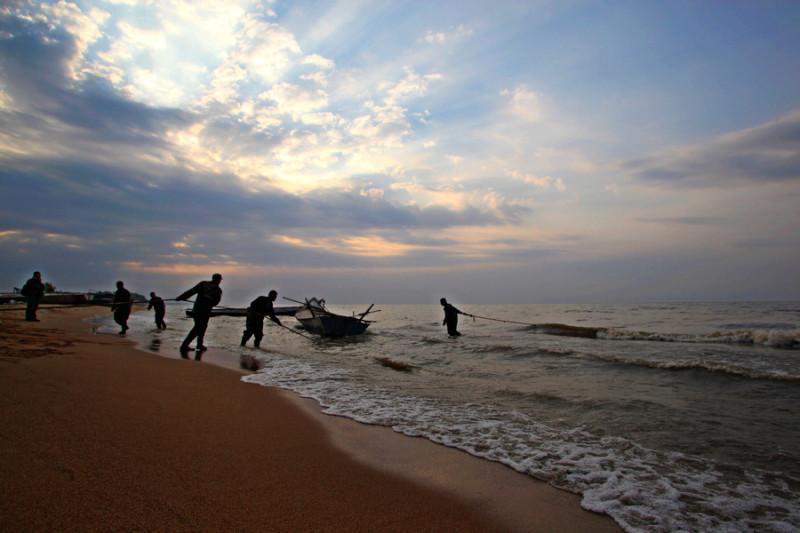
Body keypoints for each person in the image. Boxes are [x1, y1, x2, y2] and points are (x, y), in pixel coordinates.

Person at [176, 273, 222, 353]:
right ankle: (184, 345)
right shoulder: (218, 290)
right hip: (205, 310)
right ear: (219, 280)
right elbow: (215, 303)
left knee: (201, 327)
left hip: (197, 309)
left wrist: (181, 297)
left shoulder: (203, 283)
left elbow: (191, 291)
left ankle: (199, 345)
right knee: (199, 327)